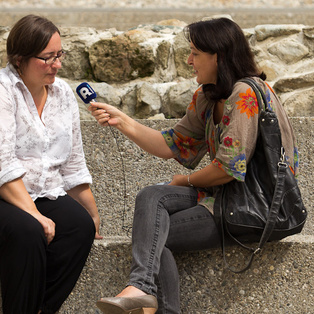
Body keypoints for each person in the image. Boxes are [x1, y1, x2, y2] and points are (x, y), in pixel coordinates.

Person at [89, 18, 299, 314]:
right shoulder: (206, 96)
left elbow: (229, 168)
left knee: (151, 236)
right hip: (224, 198)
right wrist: (121, 120)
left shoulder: (246, 94)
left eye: (195, 54)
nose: (189, 61)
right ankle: (141, 291)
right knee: (150, 198)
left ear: (219, 56)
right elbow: (171, 144)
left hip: (257, 205)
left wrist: (185, 182)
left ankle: (145, 293)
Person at [0, 14, 103, 314]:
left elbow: (73, 164)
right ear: (20, 59)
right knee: (28, 231)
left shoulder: (63, 95)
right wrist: (35, 214)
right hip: (6, 192)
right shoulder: (3, 90)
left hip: (44, 192)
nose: (57, 65)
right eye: (47, 58)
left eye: (59, 55)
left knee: (79, 228)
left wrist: (92, 213)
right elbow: (3, 163)